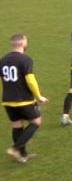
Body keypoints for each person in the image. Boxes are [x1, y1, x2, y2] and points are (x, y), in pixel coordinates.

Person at [2, 34, 48, 163]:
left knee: (17, 125)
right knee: (36, 121)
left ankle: (22, 156)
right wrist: (39, 97)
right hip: (23, 99)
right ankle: (16, 148)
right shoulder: (25, 59)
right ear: (22, 43)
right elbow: (31, 80)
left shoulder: (3, 59)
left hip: (7, 100)